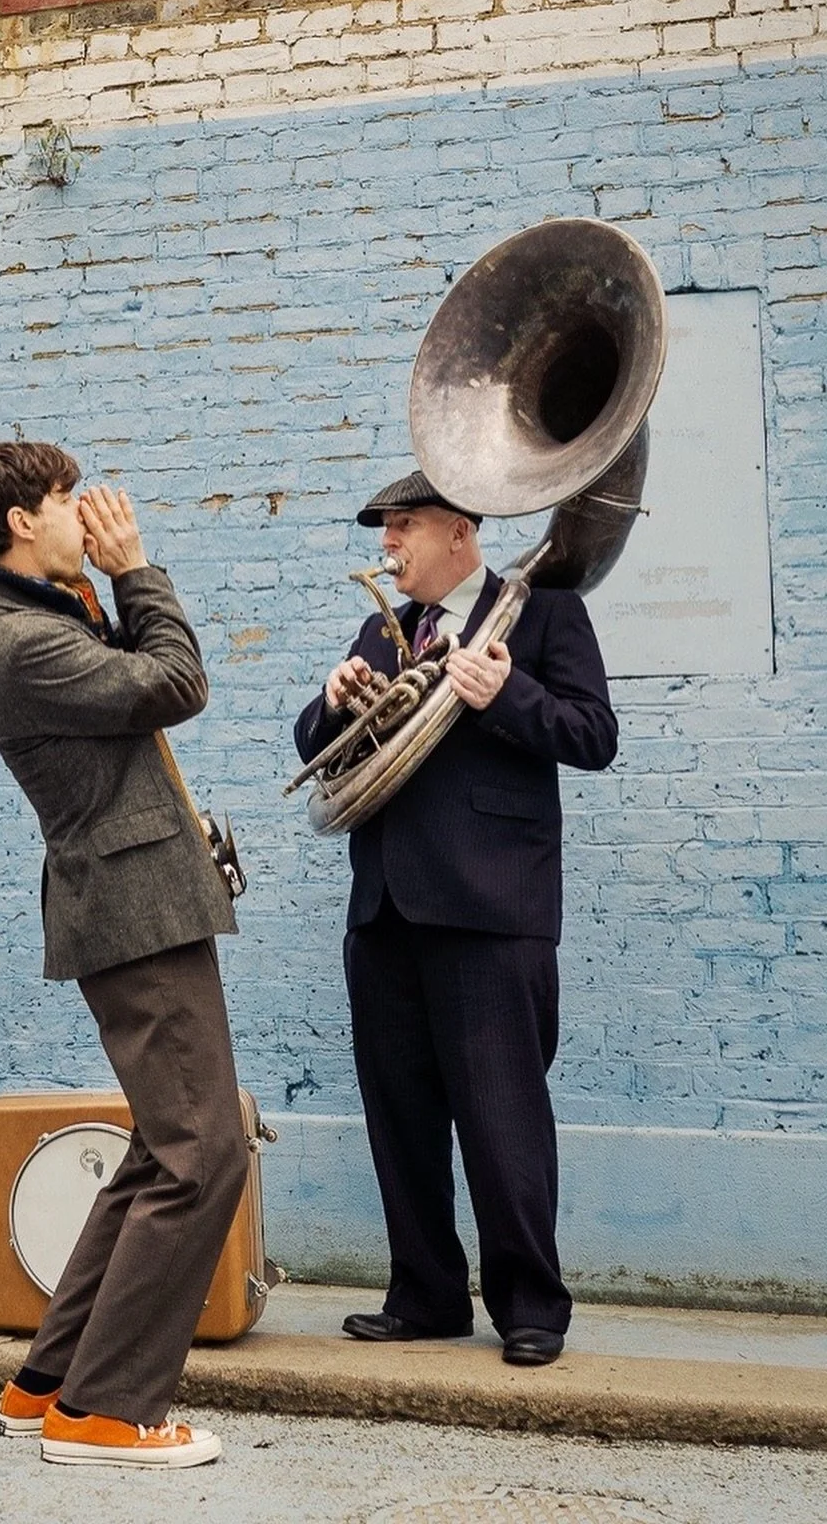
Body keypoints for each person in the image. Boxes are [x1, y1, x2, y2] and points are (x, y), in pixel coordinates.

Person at [0, 441, 246, 1470]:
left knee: (165, 1146)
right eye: (68, 499)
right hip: (134, 909)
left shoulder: (28, 613)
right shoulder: (21, 638)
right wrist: (134, 571)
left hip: (134, 898)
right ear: (22, 522)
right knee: (206, 1152)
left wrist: (102, 581)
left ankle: (48, 1382)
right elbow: (176, 681)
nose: (90, 513)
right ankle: (108, 1411)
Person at [294, 469, 617, 1368]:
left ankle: (531, 1308)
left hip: (489, 909)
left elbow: (593, 735)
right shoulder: (381, 630)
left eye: (402, 527)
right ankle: (425, 1294)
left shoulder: (544, 615)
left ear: (458, 535)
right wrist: (333, 701)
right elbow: (318, 751)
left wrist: (502, 694)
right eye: (387, 529)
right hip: (386, 907)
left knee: (502, 1111)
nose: (388, 545)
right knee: (399, 1114)